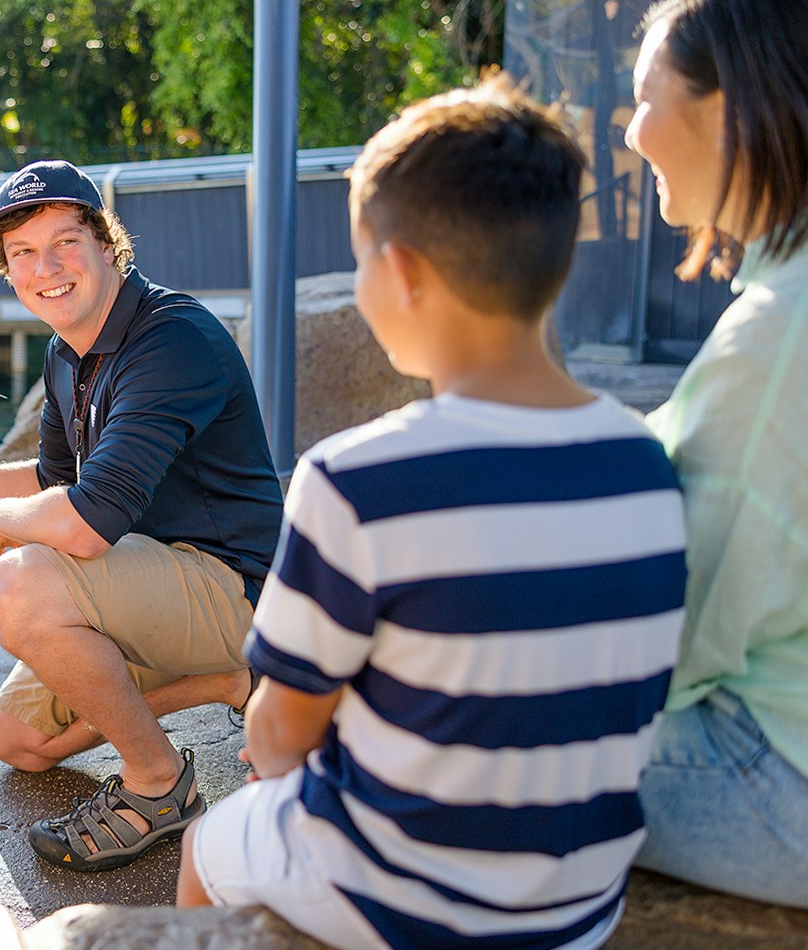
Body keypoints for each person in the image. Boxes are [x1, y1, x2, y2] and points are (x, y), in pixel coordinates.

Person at [178, 77, 689, 949]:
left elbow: (280, 730)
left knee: (206, 844)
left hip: (406, 892)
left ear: (403, 271)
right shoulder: (646, 462)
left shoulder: (355, 479)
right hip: (581, 901)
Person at [0, 159, 284, 870]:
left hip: (238, 587)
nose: (45, 266)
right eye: (23, 252)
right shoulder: (68, 353)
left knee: (19, 583)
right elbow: (50, 480)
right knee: (18, 742)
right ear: (7, 268)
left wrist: (0, 521)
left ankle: (158, 786)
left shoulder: (170, 339)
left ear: (108, 245)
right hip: (152, 584)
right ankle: (235, 682)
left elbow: (86, 522)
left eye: (65, 242)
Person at [623, 0, 808, 908]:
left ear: (733, 108)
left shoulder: (776, 336)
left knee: (414, 735)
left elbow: (682, 641)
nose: (630, 129)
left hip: (777, 773)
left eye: (646, 98)